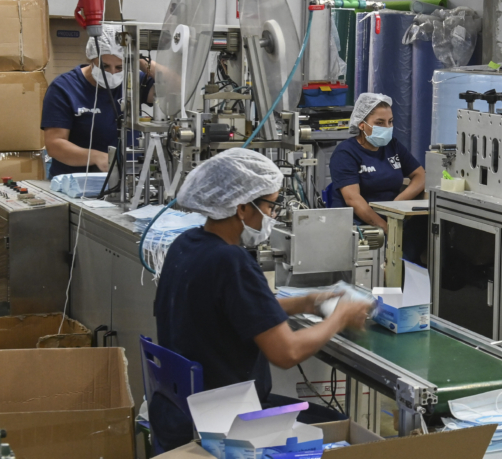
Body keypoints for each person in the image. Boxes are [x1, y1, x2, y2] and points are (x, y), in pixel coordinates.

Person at [152, 149, 375, 450]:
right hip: (226, 421)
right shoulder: (231, 262)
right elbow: (287, 353)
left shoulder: (187, 245)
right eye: (270, 206)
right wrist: (339, 317)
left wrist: (307, 302)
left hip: (178, 410)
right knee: (337, 429)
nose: (272, 216)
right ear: (242, 208)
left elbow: (234, 311)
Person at [41, 30, 156, 178]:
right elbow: (55, 144)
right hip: (79, 182)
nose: (112, 73)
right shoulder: (64, 88)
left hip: (130, 179)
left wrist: (139, 59)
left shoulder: (133, 81)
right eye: (105, 66)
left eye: (119, 67)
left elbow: (176, 88)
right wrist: (96, 157)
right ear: (91, 59)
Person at [327, 93, 427, 261]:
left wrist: (398, 203)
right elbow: (353, 199)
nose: (387, 127)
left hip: (393, 218)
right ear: (361, 125)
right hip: (360, 223)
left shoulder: (392, 146)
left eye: (390, 122)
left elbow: (420, 175)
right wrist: (386, 228)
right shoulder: (345, 153)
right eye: (380, 123)